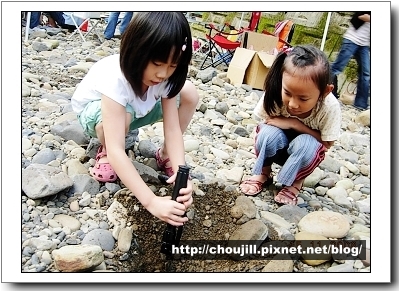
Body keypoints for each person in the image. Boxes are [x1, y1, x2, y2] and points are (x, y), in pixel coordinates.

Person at [71, 12, 199, 226]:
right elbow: (117, 149)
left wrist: (180, 172)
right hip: (97, 114)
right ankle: (102, 150)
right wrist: (151, 201)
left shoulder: (166, 77)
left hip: (138, 111)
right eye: (157, 63)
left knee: (190, 92)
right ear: (137, 50)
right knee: (123, 120)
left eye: (172, 65)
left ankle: (164, 154)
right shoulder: (116, 77)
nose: (163, 74)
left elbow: (173, 129)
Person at [239, 45, 341, 206]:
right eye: (288, 93)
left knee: (305, 143)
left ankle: (294, 183)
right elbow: (265, 123)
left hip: (303, 153)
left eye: (303, 98)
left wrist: (295, 124)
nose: (293, 104)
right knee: (267, 134)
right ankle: (264, 173)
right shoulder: (275, 92)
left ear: (325, 92)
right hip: (279, 146)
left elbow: (327, 144)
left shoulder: (329, 107)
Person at [331, 12, 370, 110]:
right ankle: (320, 91)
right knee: (337, 68)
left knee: (366, 74)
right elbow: (361, 16)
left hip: (364, 45)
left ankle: (360, 104)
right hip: (351, 40)